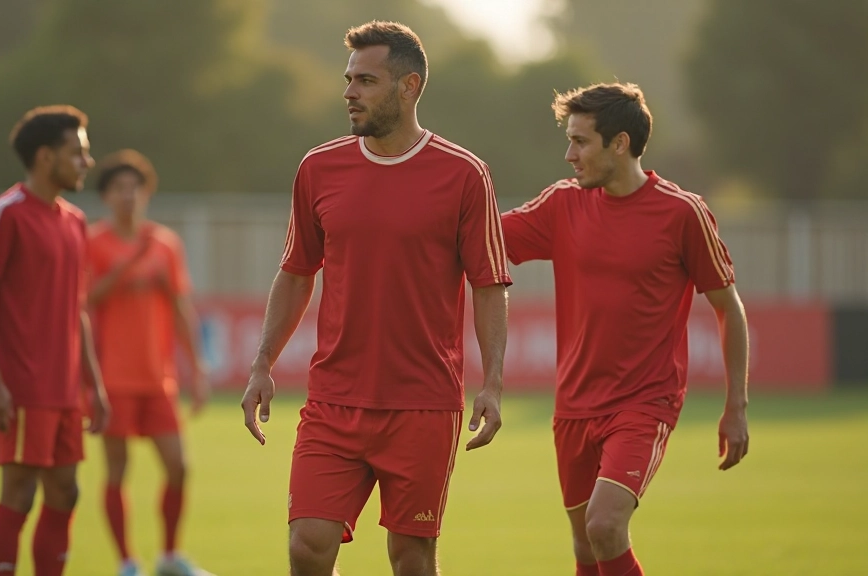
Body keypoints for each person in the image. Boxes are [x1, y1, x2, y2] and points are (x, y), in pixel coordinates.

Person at [240, 20, 511, 576]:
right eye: (348, 79)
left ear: (408, 87)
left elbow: (487, 284)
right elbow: (295, 273)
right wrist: (262, 362)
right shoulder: (318, 168)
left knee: (411, 558)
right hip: (334, 399)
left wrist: (493, 382)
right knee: (306, 547)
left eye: (365, 80)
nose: (349, 92)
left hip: (423, 404)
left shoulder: (465, 174)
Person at [500, 82, 751, 576]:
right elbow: (482, 236)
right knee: (585, 546)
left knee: (605, 526)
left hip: (644, 402)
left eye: (580, 141)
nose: (569, 154)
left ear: (619, 143)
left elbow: (728, 307)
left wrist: (736, 406)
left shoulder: (683, 213)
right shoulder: (561, 204)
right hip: (573, 405)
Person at [0, 105, 111, 576]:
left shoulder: (73, 221)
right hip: (23, 386)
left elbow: (78, 310)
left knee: (66, 492)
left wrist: (94, 384)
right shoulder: (5, 213)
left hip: (65, 389)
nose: (87, 163)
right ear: (46, 158)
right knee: (20, 494)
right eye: (78, 153)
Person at [87, 149, 213, 576]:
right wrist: (130, 265)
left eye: (135, 188)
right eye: (119, 189)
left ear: (146, 193)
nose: (128, 196)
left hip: (158, 378)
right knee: (117, 470)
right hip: (112, 377)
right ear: (106, 196)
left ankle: (169, 557)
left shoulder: (165, 244)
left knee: (179, 466)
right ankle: (126, 562)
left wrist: (197, 367)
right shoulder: (94, 242)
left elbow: (181, 309)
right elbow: (87, 300)